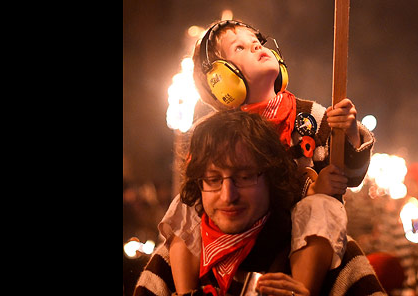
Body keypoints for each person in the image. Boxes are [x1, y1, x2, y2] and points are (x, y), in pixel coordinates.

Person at [160, 20, 376, 296]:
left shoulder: (310, 118)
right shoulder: (211, 134)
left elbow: (351, 176)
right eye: (240, 47)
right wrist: (309, 185)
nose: (256, 48)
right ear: (220, 78)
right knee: (185, 201)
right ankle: (185, 291)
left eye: (257, 43)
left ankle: (299, 290)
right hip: (233, 231)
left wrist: (349, 134)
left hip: (294, 239)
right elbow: (200, 194)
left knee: (320, 205)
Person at [134, 110, 385, 296]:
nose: (228, 194)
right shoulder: (170, 262)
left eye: (244, 177)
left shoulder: (331, 249)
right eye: (212, 179)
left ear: (273, 177)